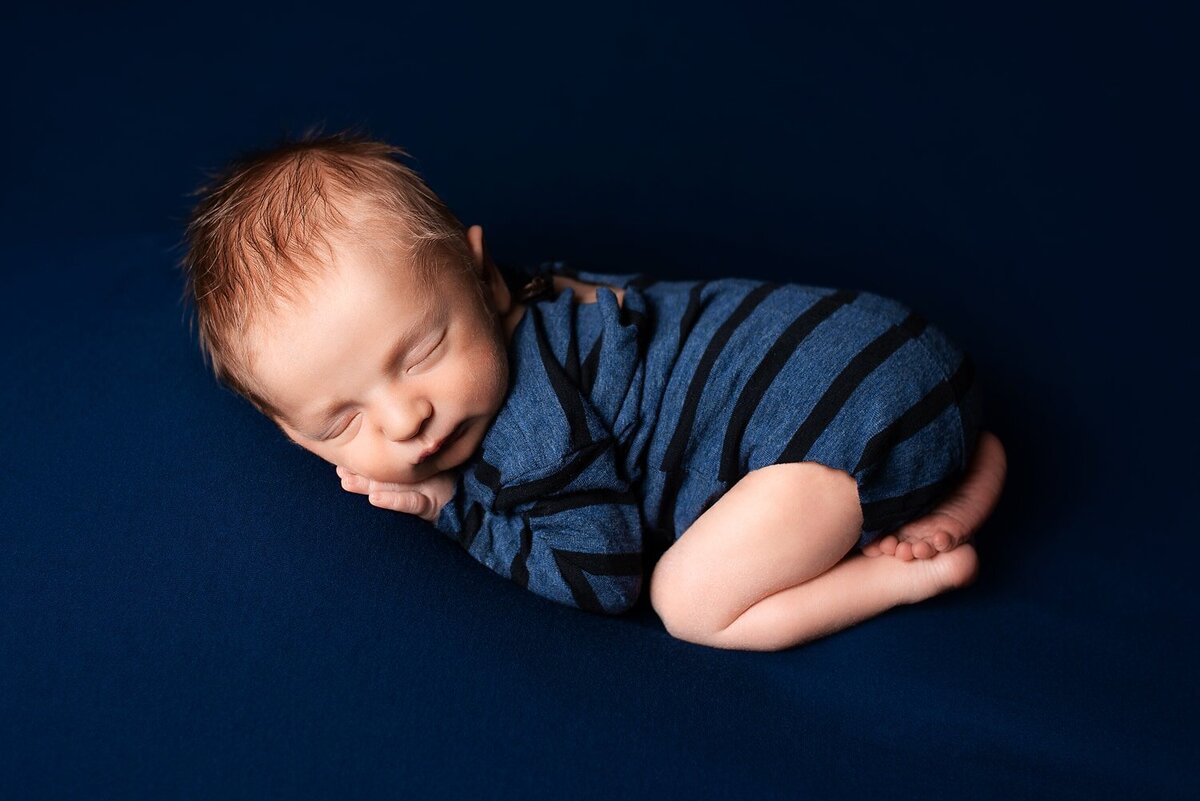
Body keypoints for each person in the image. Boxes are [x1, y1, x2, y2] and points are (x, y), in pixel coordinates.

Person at [179, 129, 1007, 652]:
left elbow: (605, 577)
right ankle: (969, 470)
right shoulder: (552, 290)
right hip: (899, 344)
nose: (407, 418)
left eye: (423, 350)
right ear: (292, 433)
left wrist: (453, 511)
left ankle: (905, 571)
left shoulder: (526, 435)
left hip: (855, 421)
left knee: (689, 603)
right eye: (343, 419)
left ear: (481, 277)